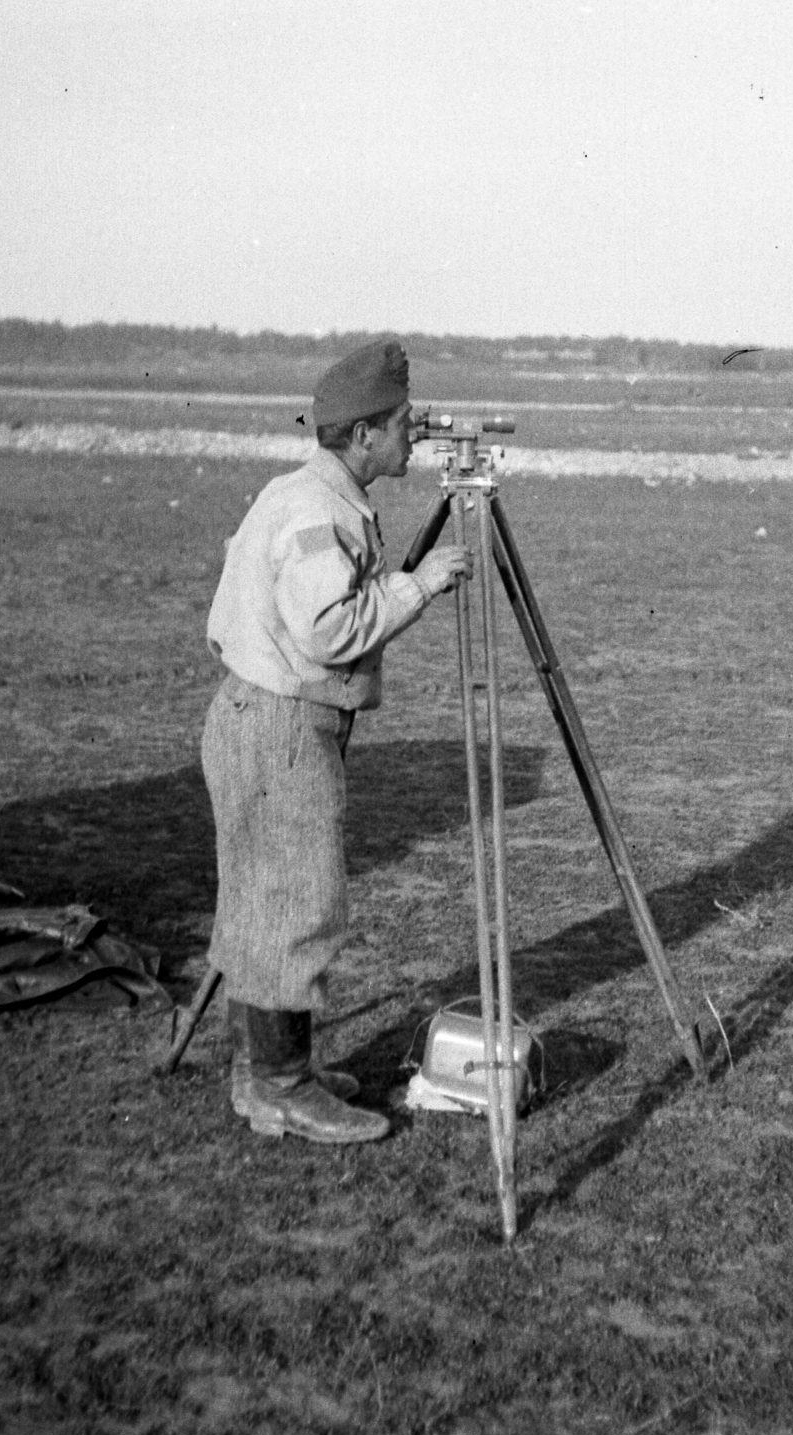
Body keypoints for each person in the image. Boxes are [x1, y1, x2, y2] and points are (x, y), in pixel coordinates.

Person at [200, 339, 472, 1144]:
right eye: (399, 426)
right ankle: (282, 1088)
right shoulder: (318, 510)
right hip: (282, 723)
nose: (411, 439)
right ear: (361, 437)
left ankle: (265, 1075)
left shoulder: (304, 490)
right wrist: (417, 587)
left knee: (262, 899)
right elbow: (328, 630)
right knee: (293, 903)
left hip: (259, 713)